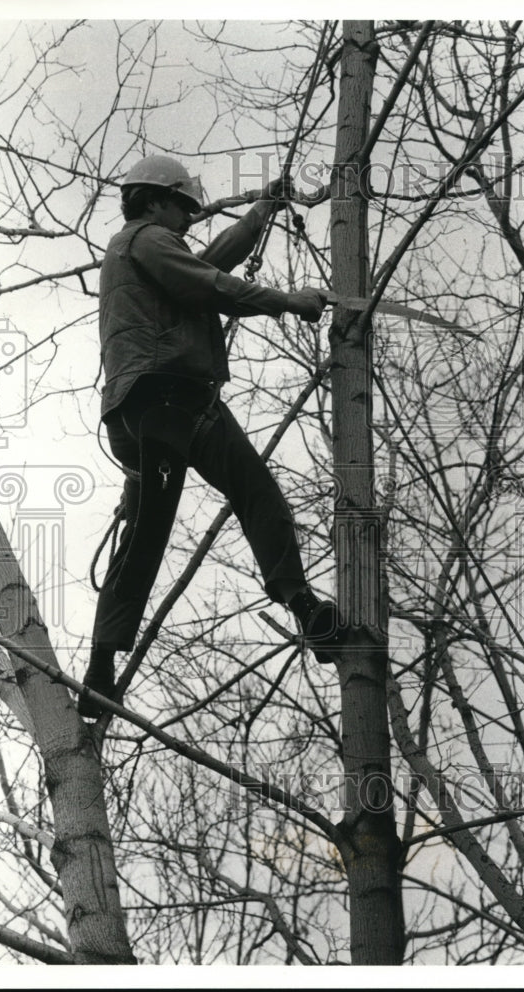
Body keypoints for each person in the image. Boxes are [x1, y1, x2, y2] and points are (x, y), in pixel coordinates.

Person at [79, 155, 340, 718]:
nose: (189, 219)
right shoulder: (144, 239)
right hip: (165, 403)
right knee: (203, 514)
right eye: (182, 207)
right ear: (152, 200)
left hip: (166, 409)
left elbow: (216, 258)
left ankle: (300, 605)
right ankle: (103, 664)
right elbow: (211, 283)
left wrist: (264, 208)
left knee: (211, 512)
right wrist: (287, 303)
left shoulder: (151, 251)